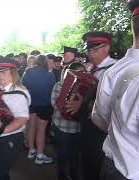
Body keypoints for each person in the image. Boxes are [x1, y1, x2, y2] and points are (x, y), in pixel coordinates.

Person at [94, 1, 139, 179]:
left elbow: (101, 118)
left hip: (116, 165)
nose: (91, 53)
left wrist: (121, 133)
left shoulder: (114, 71)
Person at [0, 57, 31, 180]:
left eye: (4, 72)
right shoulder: (2, 90)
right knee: (2, 173)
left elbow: (22, 118)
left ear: (13, 73)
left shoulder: (18, 92)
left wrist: (2, 130)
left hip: (10, 138)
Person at [75, 31, 116, 180]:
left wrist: (84, 105)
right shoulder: (91, 70)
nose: (91, 54)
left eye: (95, 49)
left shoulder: (114, 70)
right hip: (86, 124)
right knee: (86, 163)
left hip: (102, 130)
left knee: (96, 166)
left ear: (107, 47)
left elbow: (114, 105)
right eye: (89, 50)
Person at [51, 62, 85, 180]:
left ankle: (73, 173)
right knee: (62, 153)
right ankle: (62, 174)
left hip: (77, 128)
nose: (81, 76)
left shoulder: (85, 88)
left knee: (75, 153)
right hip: (62, 126)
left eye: (83, 73)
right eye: (78, 73)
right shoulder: (59, 85)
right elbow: (55, 105)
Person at [22, 55, 55, 164]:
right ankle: (40, 155)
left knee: (31, 126)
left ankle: (31, 151)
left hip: (30, 104)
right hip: (45, 105)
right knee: (41, 129)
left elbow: (23, 87)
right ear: (45, 62)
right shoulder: (50, 74)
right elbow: (52, 90)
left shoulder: (27, 72)